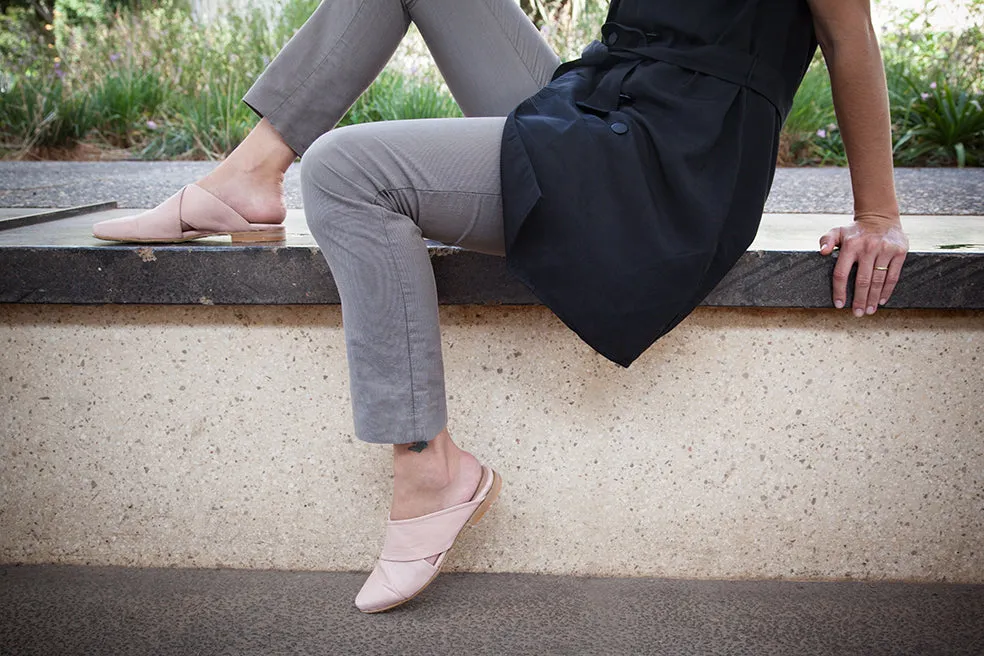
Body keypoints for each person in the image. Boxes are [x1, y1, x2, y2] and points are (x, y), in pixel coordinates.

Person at [92, 0, 910, 612]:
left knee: (347, 174)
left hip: (662, 164)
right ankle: (243, 177)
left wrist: (878, 216)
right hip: (598, 101)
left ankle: (427, 466)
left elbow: (849, 38)